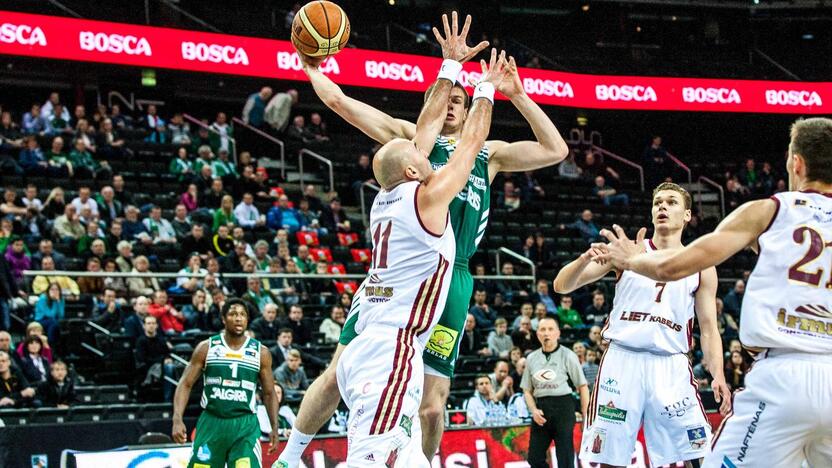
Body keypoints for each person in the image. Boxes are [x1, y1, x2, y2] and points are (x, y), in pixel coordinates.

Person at [277, 26, 513, 465]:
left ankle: (290, 458)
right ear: (411, 169)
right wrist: (484, 88)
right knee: (370, 453)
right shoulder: (429, 196)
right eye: (415, 153)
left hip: (375, 304)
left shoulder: (391, 193)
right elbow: (473, 143)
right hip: (395, 341)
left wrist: (449, 65)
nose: (422, 148)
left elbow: (421, 129)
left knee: (339, 383)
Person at [596, 120, 832, 467]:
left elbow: (672, 266)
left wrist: (632, 259)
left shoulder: (769, 211)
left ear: (796, 163)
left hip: (785, 376)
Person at [556, 183, 729, 467]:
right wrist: (584, 258)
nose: (662, 206)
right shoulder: (627, 252)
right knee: (609, 457)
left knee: (697, 453)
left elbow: (709, 329)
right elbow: (562, 285)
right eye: (657, 202)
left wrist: (718, 374)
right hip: (623, 360)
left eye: (671, 202)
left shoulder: (701, 264)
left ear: (687, 215)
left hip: (670, 364)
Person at [172, 299, 280, 466]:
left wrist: (275, 426)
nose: (238, 318)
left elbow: (269, 392)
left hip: (244, 425)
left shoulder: (261, 352)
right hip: (212, 422)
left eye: (242, 315)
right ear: (223, 318)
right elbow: (185, 384)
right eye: (233, 314)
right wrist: (177, 419)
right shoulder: (206, 348)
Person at [521, 317, 588, 468]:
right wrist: (533, 410)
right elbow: (526, 390)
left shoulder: (568, 355)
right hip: (541, 410)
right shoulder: (531, 358)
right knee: (534, 458)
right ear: (537, 334)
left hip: (563, 407)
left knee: (565, 459)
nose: (547, 333)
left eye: (551, 329)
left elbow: (582, 386)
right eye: (542, 329)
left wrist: (586, 416)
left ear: (558, 333)